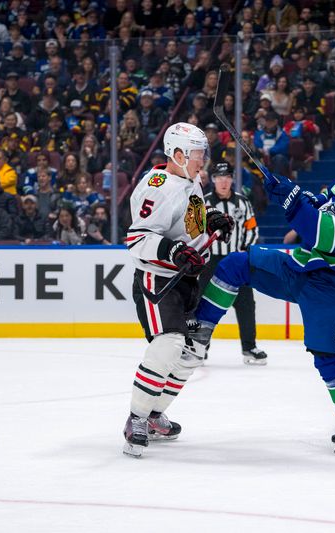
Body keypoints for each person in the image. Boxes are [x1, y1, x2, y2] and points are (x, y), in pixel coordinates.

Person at [189, 157, 335, 454]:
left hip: (328, 285)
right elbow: (317, 202)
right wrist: (288, 190)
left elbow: (320, 232)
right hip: (298, 266)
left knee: (326, 355)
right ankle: (200, 332)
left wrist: (291, 201)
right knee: (234, 264)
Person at [121, 122, 234, 458]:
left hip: (185, 280)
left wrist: (212, 217)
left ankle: (154, 416)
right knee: (169, 345)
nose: (204, 160)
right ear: (179, 154)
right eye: (199, 153)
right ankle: (136, 418)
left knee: (192, 352)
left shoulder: (189, 179)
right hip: (159, 281)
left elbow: (191, 218)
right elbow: (137, 238)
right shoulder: (157, 187)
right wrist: (171, 250)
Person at [199, 162, 267, 365]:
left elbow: (252, 229)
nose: (223, 181)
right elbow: (195, 231)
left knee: (245, 303)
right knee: (204, 305)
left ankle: (249, 347)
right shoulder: (203, 203)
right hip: (211, 261)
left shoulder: (243, 202)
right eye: (219, 177)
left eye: (227, 177)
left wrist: (244, 250)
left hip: (237, 260)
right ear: (213, 180)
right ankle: (199, 348)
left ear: (232, 179)